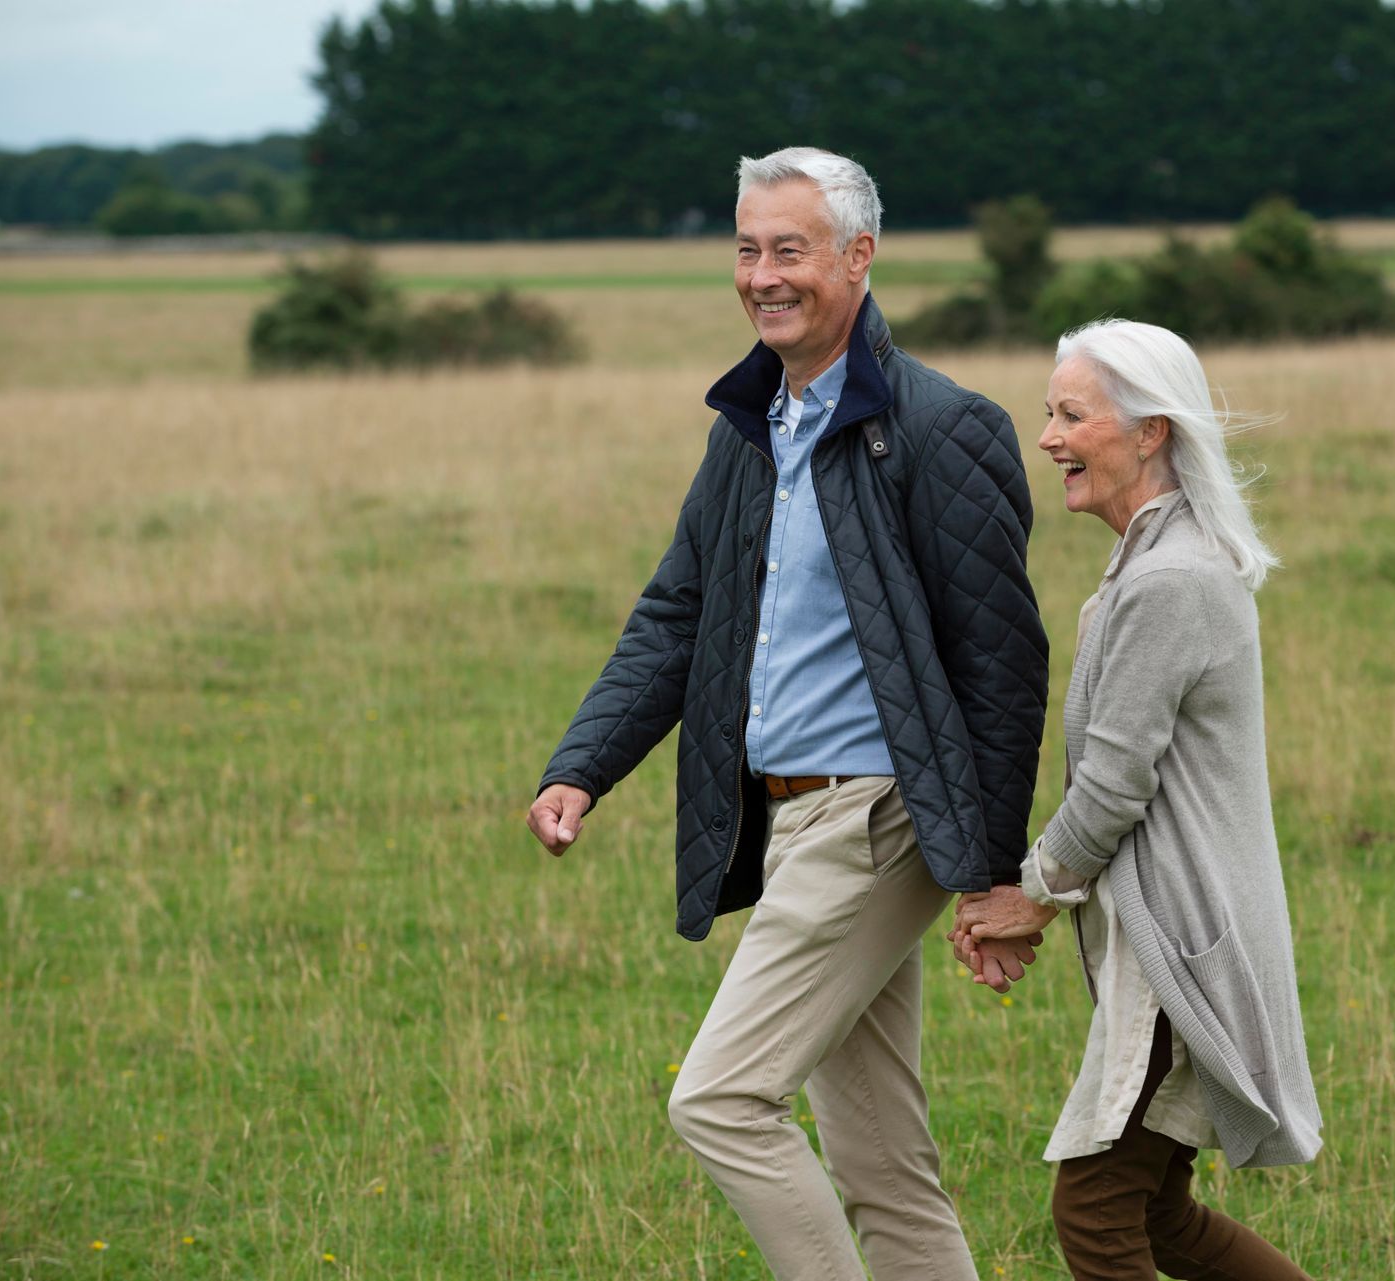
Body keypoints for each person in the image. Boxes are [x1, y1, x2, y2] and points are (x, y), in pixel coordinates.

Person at [526, 146, 1048, 1280]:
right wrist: (582, 766)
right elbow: (677, 614)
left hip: (876, 820)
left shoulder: (940, 427)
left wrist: (994, 871)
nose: (765, 275)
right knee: (882, 1162)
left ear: (859, 260)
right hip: (792, 821)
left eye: (791, 251)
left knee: (719, 1102)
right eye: (749, 249)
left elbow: (1002, 667)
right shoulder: (749, 428)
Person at [951, 320, 1321, 1281]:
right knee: (1158, 1212)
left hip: (1182, 945)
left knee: (1099, 1210)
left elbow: (1114, 784)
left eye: (1073, 415)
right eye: (1049, 414)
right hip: (1175, 935)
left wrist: (1030, 895)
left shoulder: (1171, 579)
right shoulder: (1155, 563)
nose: (1049, 438)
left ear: (1151, 431)